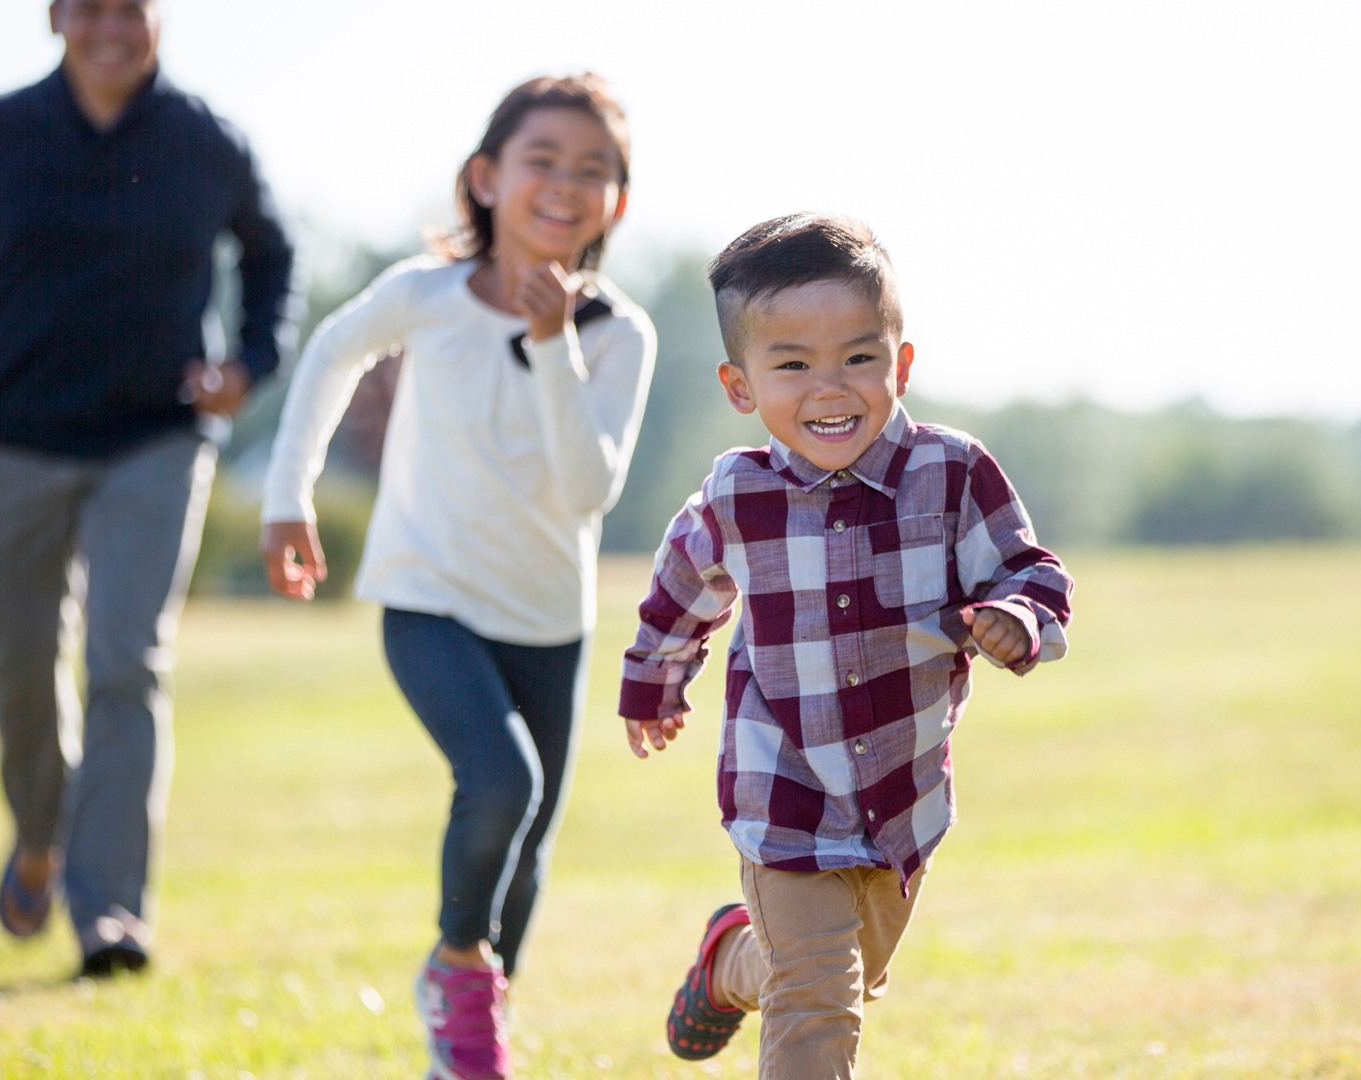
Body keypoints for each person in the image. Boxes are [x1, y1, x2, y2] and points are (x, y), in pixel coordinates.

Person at [0, 0, 294, 977]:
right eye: (91, 8)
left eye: (133, 9)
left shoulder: (206, 141)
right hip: (13, 439)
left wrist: (250, 359)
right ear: (57, 17)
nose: (113, 28)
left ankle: (109, 910)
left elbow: (274, 259)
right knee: (18, 665)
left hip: (154, 439)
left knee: (126, 664)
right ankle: (38, 836)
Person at [259, 74, 653, 1080]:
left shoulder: (620, 334)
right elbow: (329, 359)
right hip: (426, 597)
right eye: (542, 160)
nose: (565, 184)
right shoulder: (423, 297)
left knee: (528, 850)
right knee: (498, 781)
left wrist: (553, 342)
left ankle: (470, 1037)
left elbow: (585, 492)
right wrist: (286, 495)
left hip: (548, 619)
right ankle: (454, 971)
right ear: (485, 178)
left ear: (616, 201)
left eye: (593, 169)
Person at [619, 213, 1076, 1077]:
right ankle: (761, 961)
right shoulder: (736, 495)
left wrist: (1016, 617)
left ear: (900, 363)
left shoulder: (952, 473)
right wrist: (654, 683)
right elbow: (682, 592)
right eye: (792, 364)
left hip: (902, 798)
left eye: (859, 358)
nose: (831, 388)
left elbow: (1030, 571)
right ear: (740, 384)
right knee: (820, 999)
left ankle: (729, 963)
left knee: (834, 980)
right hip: (784, 790)